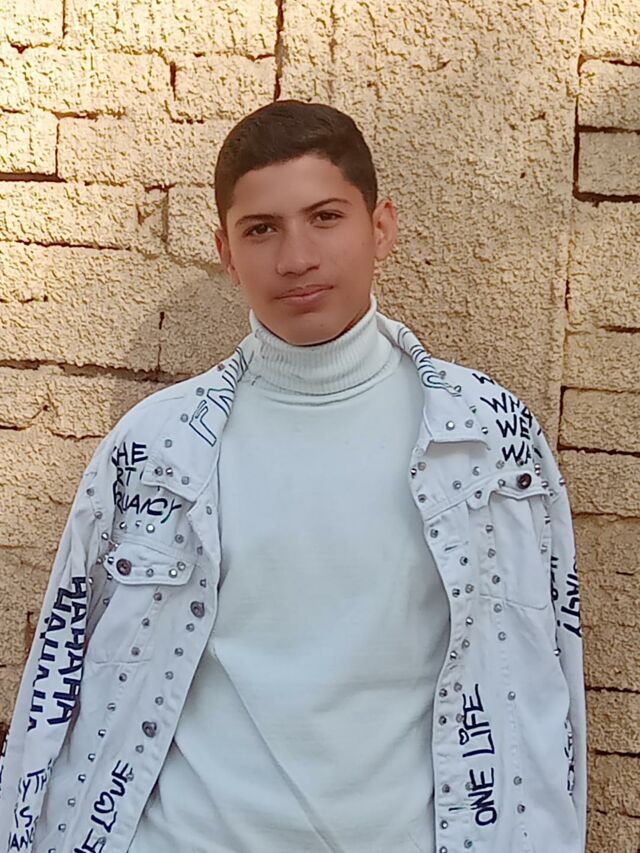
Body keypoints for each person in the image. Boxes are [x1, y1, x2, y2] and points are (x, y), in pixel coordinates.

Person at [0, 100, 586, 853]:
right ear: (225, 250)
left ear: (381, 227)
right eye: (261, 229)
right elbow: (61, 678)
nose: (297, 257)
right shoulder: (154, 447)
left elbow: (547, 680)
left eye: (326, 217)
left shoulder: (488, 439)